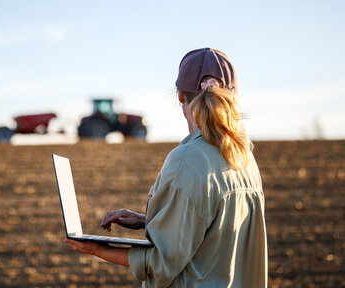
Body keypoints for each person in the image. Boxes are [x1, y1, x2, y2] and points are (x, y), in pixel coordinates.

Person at [66, 48, 268, 287]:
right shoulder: (245, 159)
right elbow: (213, 229)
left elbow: (161, 263)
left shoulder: (186, 160)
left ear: (181, 97)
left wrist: (97, 249)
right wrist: (148, 220)